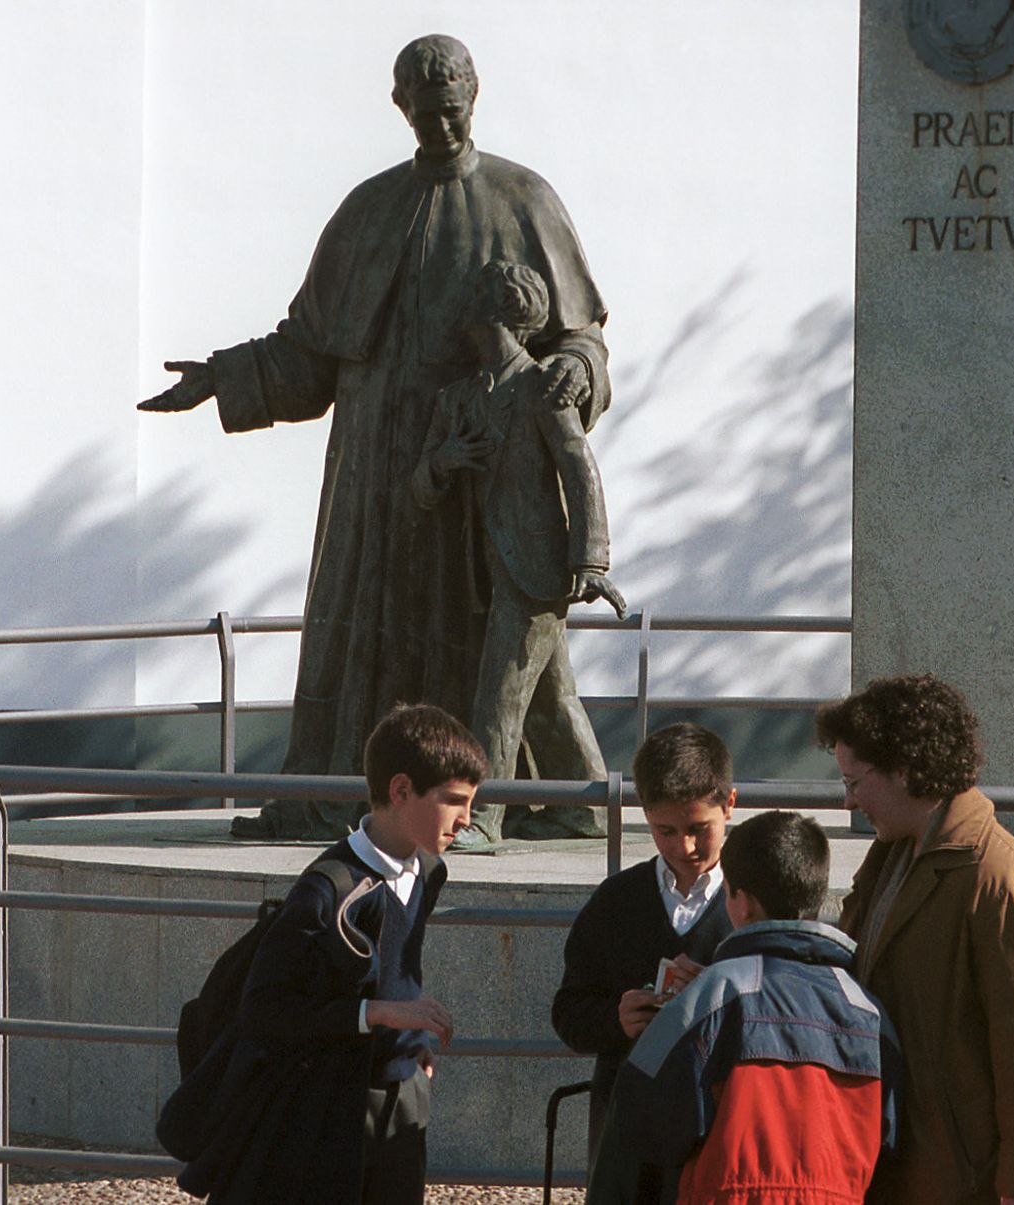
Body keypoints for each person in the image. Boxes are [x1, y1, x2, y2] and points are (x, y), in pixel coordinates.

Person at [140, 34, 610, 841]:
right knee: (364, 638)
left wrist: (575, 370)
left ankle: (479, 805)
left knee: (486, 655)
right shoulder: (367, 210)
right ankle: (348, 793)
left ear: (475, 100)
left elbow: (581, 338)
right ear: (402, 111)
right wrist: (226, 375)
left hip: (477, 472)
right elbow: (311, 353)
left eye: (453, 114)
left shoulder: (525, 199)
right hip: (376, 475)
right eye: (426, 118)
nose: (442, 131)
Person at [167, 704, 484, 1203]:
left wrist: (412, 1046)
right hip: (324, 1114)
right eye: (454, 801)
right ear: (401, 790)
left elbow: (400, 971)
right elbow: (264, 1010)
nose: (467, 820)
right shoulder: (325, 890)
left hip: (400, 1096)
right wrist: (378, 1014)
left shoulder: (428, 870)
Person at [818, 673, 1014, 1205]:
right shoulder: (891, 858)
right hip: (893, 1162)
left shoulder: (1000, 880)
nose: (846, 802)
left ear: (906, 771)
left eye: (855, 782)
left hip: (960, 1180)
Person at [412, 259, 624, 849]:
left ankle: (485, 817)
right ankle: (588, 808)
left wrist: (590, 560)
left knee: (500, 694)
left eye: (470, 296)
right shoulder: (456, 401)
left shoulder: (544, 387)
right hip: (479, 570)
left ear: (494, 311)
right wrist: (442, 462)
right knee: (551, 699)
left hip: (535, 569)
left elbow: (580, 470)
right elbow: (418, 488)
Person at [586, 811, 901, 1205]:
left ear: (741, 903)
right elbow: (890, 1141)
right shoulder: (867, 1010)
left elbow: (640, 1125)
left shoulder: (712, 997)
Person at [551, 723, 736, 1162]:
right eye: (664, 831)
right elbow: (568, 1013)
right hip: (629, 1132)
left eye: (697, 827)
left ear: (729, 805)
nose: (684, 846)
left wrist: (718, 1004)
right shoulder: (616, 902)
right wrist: (617, 1018)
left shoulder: (755, 901)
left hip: (722, 1129)